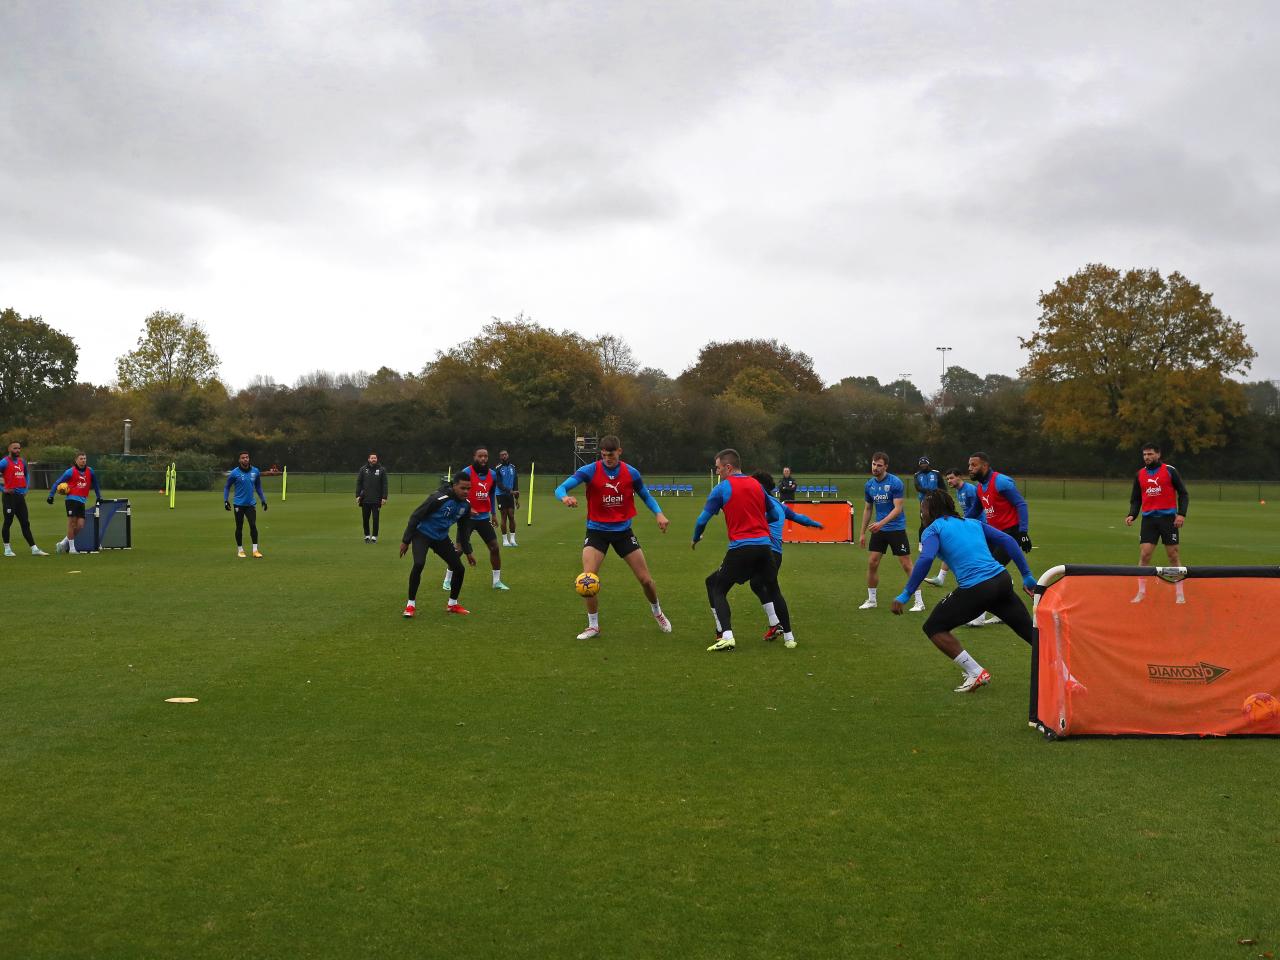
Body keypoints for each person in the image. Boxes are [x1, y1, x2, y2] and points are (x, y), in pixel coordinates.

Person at [891, 488, 1039, 693]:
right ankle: (1068, 674)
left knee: (934, 627)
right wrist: (1027, 576)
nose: (921, 513)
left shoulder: (933, 529)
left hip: (978, 588)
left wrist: (906, 593)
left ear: (931, 509)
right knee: (1032, 635)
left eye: (922, 508)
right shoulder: (973, 523)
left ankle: (975, 672)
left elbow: (925, 559)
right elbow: (1008, 540)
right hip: (1002, 581)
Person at [554, 434, 672, 639]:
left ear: (620, 451)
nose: (609, 458)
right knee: (588, 580)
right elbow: (561, 487)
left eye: (612, 455)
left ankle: (657, 612)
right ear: (601, 454)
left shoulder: (631, 473)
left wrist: (659, 513)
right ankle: (593, 626)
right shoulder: (589, 471)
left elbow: (645, 495)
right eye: (605, 455)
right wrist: (565, 497)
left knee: (645, 580)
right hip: (597, 532)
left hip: (623, 533)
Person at [694, 449, 778, 652]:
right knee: (766, 586)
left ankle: (726, 634)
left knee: (716, 587)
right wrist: (756, 523)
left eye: (718, 468)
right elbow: (774, 515)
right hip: (765, 548)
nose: (717, 471)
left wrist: (696, 537)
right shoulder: (757, 485)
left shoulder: (722, 489)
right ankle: (778, 624)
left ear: (728, 467)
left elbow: (701, 520)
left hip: (742, 548)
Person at [749, 471, 823, 649]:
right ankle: (780, 628)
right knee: (757, 583)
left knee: (769, 588)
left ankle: (786, 632)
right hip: (776, 555)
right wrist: (815, 523)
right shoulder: (779, 504)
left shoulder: (760, 503)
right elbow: (799, 518)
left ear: (759, 487)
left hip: (763, 551)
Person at [857, 452, 924, 612]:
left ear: (885, 466)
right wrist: (861, 533)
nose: (875, 468)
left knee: (906, 564)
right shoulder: (869, 485)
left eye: (879, 465)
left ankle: (919, 602)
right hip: (879, 530)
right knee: (872, 562)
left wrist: (880, 523)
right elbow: (867, 509)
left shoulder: (895, 482)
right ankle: (872, 600)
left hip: (896, 529)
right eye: (874, 464)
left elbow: (898, 509)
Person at [399, 474, 472, 617]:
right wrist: (406, 541)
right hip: (422, 534)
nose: (466, 491)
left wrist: (468, 551)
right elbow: (416, 516)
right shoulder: (438, 498)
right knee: (419, 564)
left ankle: (452, 604)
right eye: (462, 488)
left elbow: (463, 530)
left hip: (441, 538)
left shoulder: (466, 505)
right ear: (454, 485)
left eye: (468, 489)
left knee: (459, 568)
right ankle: (410, 605)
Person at [1125, 442, 1190, 604]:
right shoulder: (1139, 474)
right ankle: (1141, 592)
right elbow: (1136, 499)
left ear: (1158, 454)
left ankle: (1180, 593)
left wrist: (1181, 514)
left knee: (1173, 555)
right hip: (1149, 520)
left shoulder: (1169, 470)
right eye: (1145, 455)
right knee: (1145, 554)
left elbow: (1183, 494)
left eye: (1150, 454)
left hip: (1168, 520)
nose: (1147, 457)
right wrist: (1132, 514)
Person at [445, 448, 508, 591]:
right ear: (474, 457)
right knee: (459, 550)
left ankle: (496, 581)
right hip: (466, 518)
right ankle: (447, 580)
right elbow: (455, 491)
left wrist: (493, 514)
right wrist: (467, 507)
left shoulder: (492, 474)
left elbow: (491, 495)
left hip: (484, 518)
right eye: (480, 456)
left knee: (494, 547)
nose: (483, 459)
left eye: (486, 456)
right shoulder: (466, 472)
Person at [924, 468, 979, 588]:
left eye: (951, 478)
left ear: (960, 476)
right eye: (947, 479)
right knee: (952, 547)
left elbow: (978, 508)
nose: (949, 481)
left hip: (976, 526)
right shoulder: (959, 491)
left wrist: (965, 521)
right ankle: (940, 578)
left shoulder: (969, 490)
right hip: (968, 524)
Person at [46, 451, 102, 554]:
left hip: (82, 501)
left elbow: (96, 484)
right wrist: (51, 496)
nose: (83, 460)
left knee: (80, 525)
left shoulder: (90, 471)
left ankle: (63, 543)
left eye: (84, 458)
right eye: (81, 458)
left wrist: (99, 497)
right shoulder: (70, 472)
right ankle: (71, 549)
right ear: (76, 460)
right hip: (71, 500)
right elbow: (57, 482)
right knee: (72, 523)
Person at [1, 440, 47, 556]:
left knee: (25, 523)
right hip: (9, 497)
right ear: (9, 449)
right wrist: (3, 489)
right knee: (8, 521)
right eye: (15, 448)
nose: (17, 450)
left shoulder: (22, 462)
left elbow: (26, 475)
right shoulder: (4, 462)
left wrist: (26, 489)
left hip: (20, 498)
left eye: (19, 448)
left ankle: (34, 549)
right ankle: (7, 549)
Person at [223, 451, 267, 558]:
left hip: (250, 504)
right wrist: (226, 500)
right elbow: (227, 487)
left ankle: (255, 550)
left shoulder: (255, 471)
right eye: (243, 458)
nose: (245, 459)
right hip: (238, 504)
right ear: (239, 460)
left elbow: (259, 487)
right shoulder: (235, 473)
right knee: (239, 527)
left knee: (253, 525)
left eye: (247, 457)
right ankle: (240, 550)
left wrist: (263, 500)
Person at [913, 456, 945, 582]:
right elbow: (917, 487)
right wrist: (927, 492)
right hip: (924, 501)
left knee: (938, 521)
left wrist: (942, 496)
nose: (923, 466)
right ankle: (921, 543)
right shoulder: (917, 475)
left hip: (936, 500)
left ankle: (939, 542)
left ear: (928, 464)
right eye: (921, 464)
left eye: (925, 464)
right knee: (924, 522)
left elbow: (942, 486)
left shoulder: (936, 473)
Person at [355, 452, 389, 542]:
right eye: (372, 458)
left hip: (376, 499)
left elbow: (385, 484)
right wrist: (357, 496)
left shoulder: (382, 470)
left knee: (375, 518)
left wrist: (384, 497)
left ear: (377, 459)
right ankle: (366, 535)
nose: (374, 459)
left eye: (375, 458)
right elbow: (359, 483)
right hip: (365, 499)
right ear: (369, 459)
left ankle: (374, 536)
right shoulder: (363, 469)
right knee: (365, 519)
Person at [494, 450, 521, 547]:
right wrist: (510, 491)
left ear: (508, 455)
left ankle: (512, 539)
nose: (504, 456)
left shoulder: (513, 467)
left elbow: (515, 482)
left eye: (505, 454)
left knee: (512, 516)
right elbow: (499, 484)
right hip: (501, 495)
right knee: (504, 516)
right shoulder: (498, 468)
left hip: (510, 495)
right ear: (500, 457)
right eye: (502, 455)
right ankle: (505, 540)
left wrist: (516, 498)